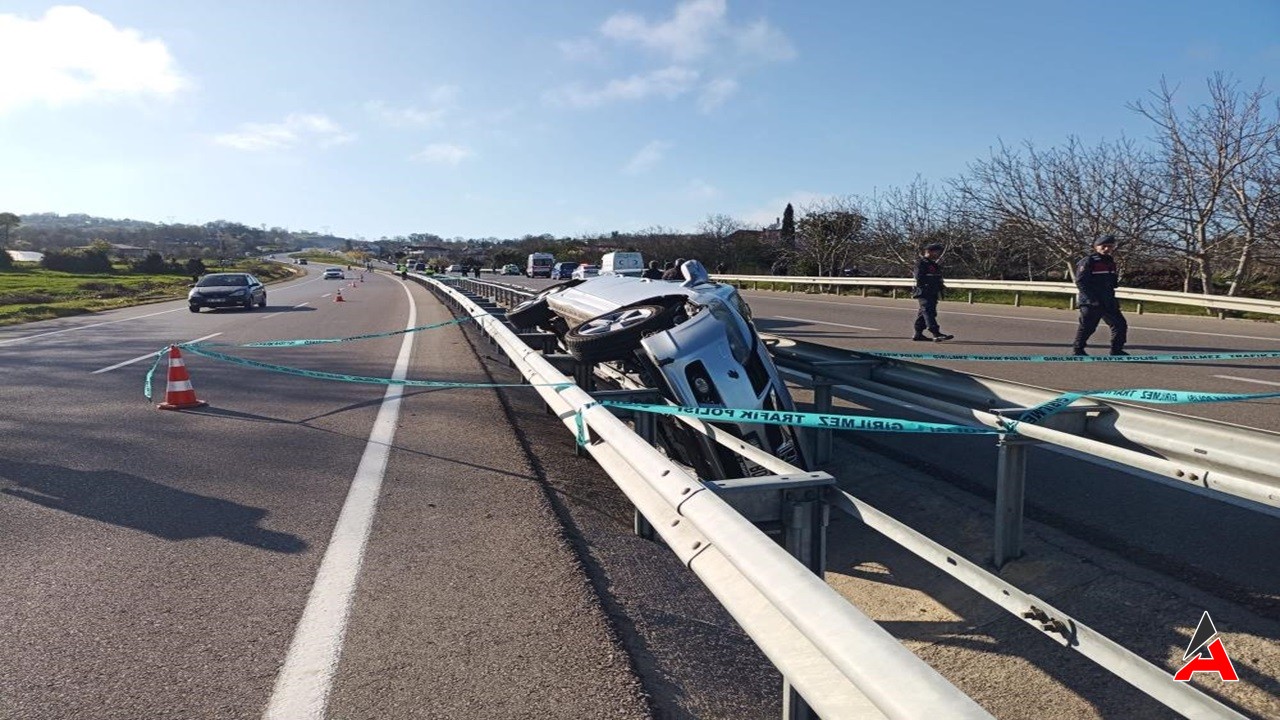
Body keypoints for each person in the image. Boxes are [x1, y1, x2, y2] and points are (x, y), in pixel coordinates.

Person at [1072, 234, 1128, 356]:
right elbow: (1080, 282)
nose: (1107, 249)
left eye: (1110, 246)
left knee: (1120, 325)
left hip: (1108, 300)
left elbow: (1111, 282)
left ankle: (1116, 350)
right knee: (1088, 327)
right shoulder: (1088, 261)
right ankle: (1078, 350)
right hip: (1091, 301)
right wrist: (1091, 299)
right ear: (1096, 247)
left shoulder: (1110, 262)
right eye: (1104, 246)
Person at [911, 243, 954, 341]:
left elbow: (938, 277)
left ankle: (918, 334)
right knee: (928, 312)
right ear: (929, 251)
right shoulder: (921, 263)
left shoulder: (933, 264)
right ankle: (936, 333)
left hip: (933, 291)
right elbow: (919, 277)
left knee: (924, 312)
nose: (938, 254)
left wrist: (941, 286)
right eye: (936, 252)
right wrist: (931, 280)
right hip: (924, 291)